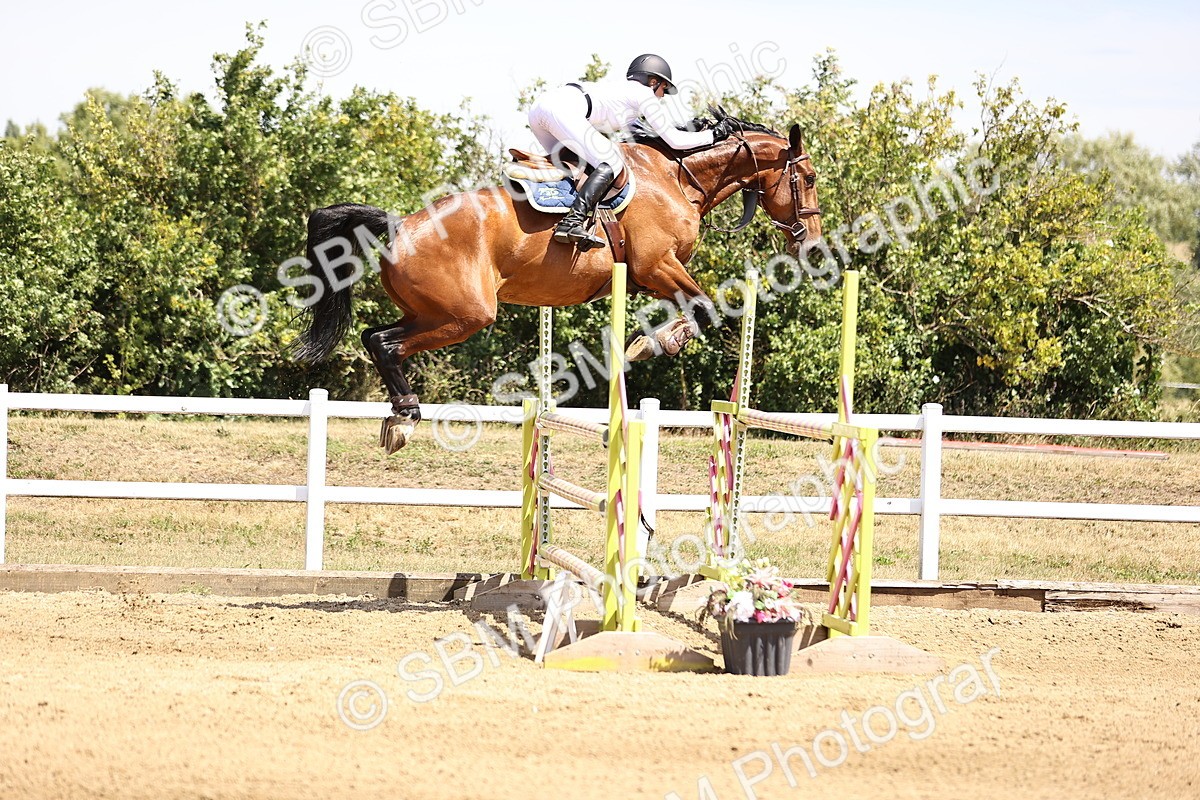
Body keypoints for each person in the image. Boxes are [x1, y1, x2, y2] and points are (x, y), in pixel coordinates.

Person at [528, 54, 738, 249]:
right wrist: (714, 135)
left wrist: (689, 127)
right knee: (613, 162)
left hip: (541, 110)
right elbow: (674, 141)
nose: (663, 95)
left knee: (576, 165)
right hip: (562, 109)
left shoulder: (624, 95)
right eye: (663, 88)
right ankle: (572, 222)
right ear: (653, 81)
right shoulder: (643, 94)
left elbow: (646, 132)